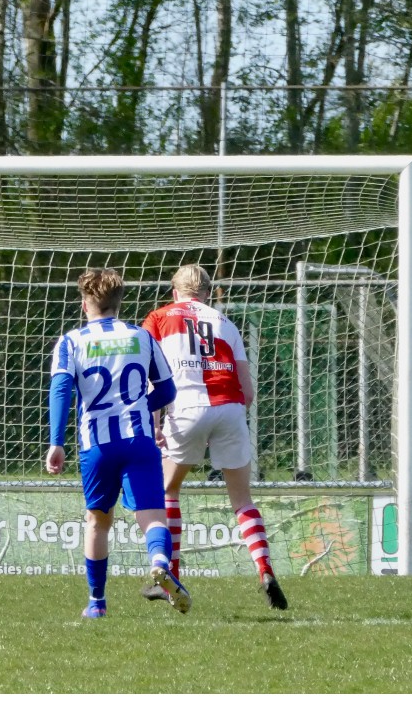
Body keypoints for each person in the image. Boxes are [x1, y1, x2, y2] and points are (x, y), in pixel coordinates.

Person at [140, 263, 289, 610]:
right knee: (242, 499)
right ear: (207, 293)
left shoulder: (158, 319)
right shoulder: (225, 323)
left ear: (174, 293)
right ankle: (264, 569)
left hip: (186, 407)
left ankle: (170, 579)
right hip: (230, 407)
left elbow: (153, 379)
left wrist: (156, 423)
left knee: (167, 490)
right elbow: (248, 391)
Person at [45, 267, 189, 618]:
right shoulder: (141, 337)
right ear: (118, 302)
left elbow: (61, 389)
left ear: (85, 304)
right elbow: (168, 390)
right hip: (139, 440)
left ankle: (97, 602)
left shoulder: (71, 341)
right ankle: (158, 561)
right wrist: (139, 407)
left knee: (97, 521)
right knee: (153, 516)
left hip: (97, 445)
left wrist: (56, 442)